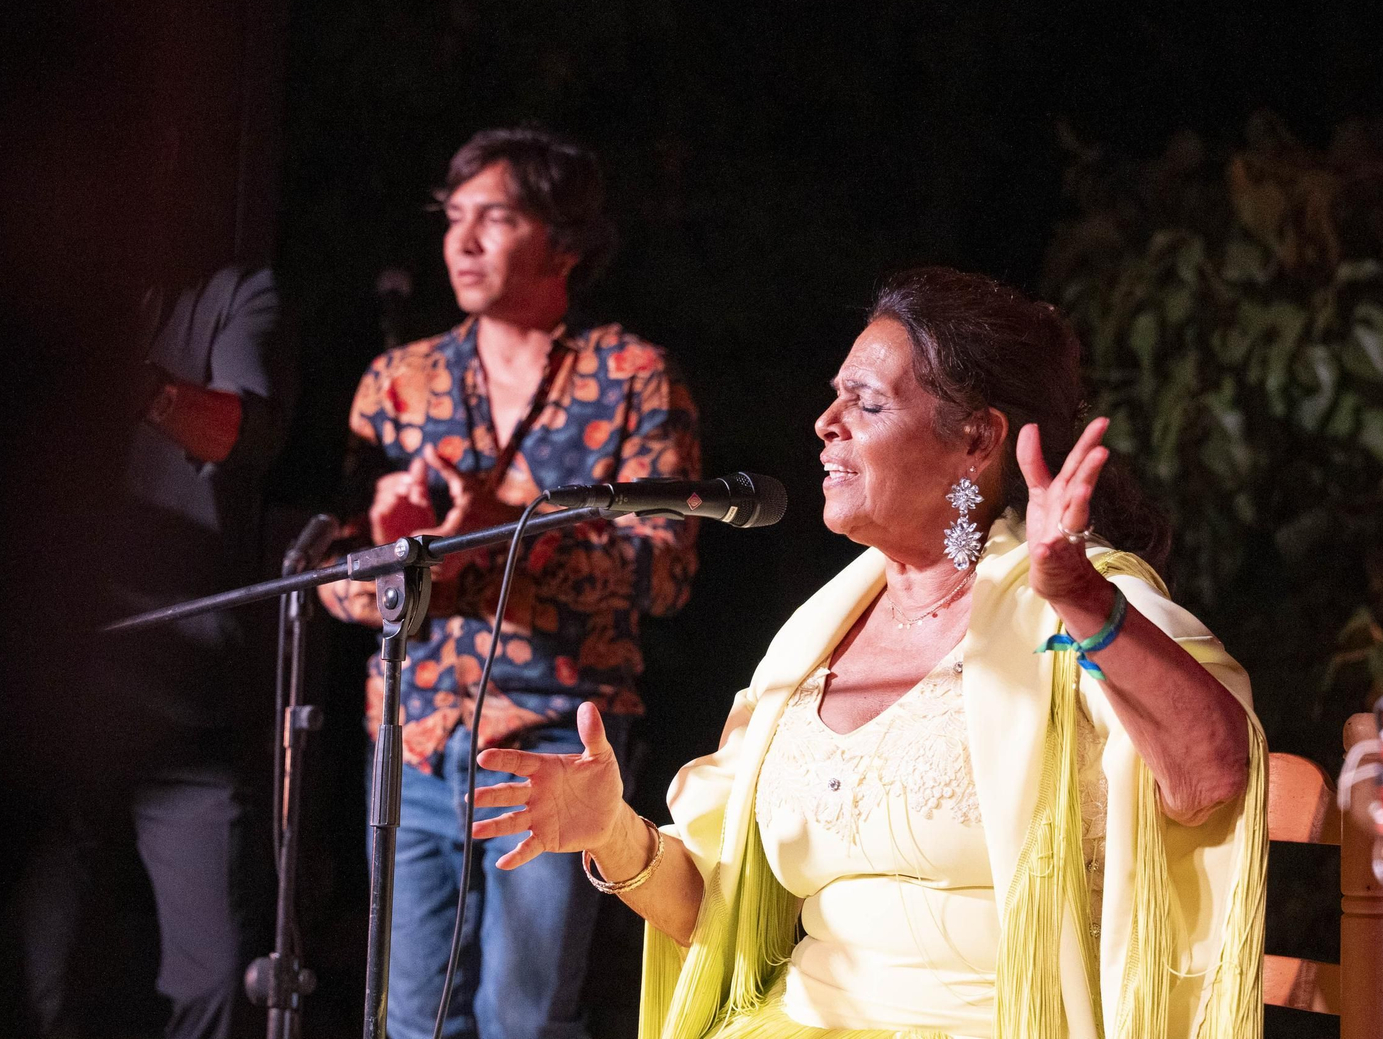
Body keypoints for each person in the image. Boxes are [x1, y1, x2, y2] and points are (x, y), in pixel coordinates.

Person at [468, 267, 1268, 1039]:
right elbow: (720, 916)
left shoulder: (1071, 600)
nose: (826, 423)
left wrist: (1082, 600)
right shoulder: (813, 642)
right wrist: (613, 832)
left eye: (867, 402)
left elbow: (1212, 774)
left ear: (976, 442)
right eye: (834, 397)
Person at [319, 127, 701, 1039]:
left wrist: (516, 531)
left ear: (563, 241)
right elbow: (330, 583)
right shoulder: (398, 383)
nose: (464, 240)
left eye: (495, 217)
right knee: (409, 1020)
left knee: (523, 1019)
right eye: (454, 219)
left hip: (550, 745)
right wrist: (383, 555)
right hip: (410, 738)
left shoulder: (631, 378)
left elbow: (669, 570)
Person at [18, 264, 293, 1039]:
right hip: (51, 699)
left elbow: (244, 435)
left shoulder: (232, 296)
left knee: (215, 973)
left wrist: (137, 385)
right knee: (39, 972)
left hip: (184, 701)